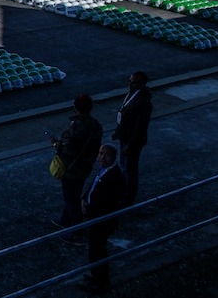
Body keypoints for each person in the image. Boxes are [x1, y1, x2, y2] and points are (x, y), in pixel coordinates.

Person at [51, 94, 103, 242]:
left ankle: (76, 232)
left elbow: (67, 149)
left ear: (75, 108)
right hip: (85, 166)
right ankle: (65, 220)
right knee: (73, 194)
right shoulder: (95, 125)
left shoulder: (76, 127)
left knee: (72, 199)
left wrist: (56, 144)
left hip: (71, 169)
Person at [78, 144, 125, 295]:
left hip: (101, 221)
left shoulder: (115, 176)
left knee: (98, 251)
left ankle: (100, 282)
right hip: (95, 217)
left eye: (106, 155)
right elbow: (92, 187)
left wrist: (88, 209)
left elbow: (106, 201)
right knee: (94, 250)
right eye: (100, 154)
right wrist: (84, 199)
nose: (102, 158)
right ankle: (95, 276)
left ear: (114, 157)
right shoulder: (104, 170)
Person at [112, 71, 152, 206]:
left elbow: (140, 127)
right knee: (124, 167)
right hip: (125, 136)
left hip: (132, 141)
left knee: (130, 170)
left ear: (142, 84)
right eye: (130, 81)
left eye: (134, 82)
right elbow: (123, 114)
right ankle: (124, 192)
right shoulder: (132, 94)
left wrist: (131, 145)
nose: (130, 83)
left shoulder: (143, 102)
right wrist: (117, 131)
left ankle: (129, 197)